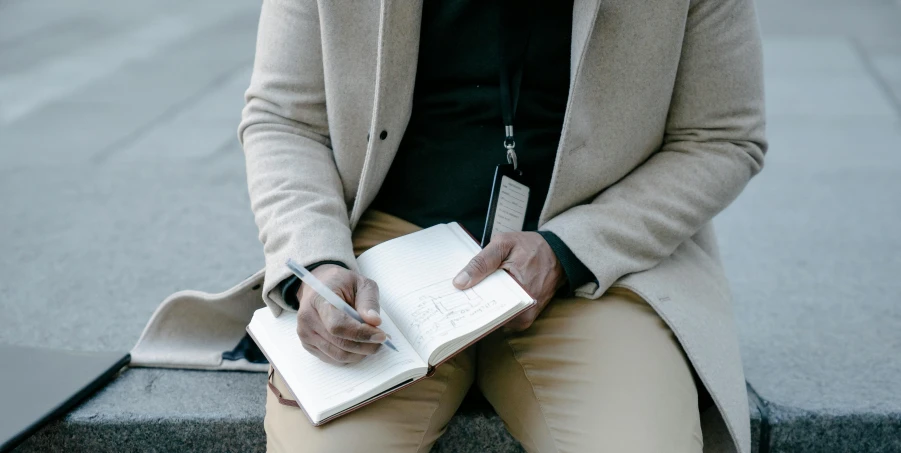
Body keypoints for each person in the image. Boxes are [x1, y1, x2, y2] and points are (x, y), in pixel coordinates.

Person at [238, 0, 766, 451]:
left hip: (596, 260)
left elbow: (721, 136)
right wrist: (317, 264)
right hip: (381, 256)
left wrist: (570, 249)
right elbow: (284, 119)